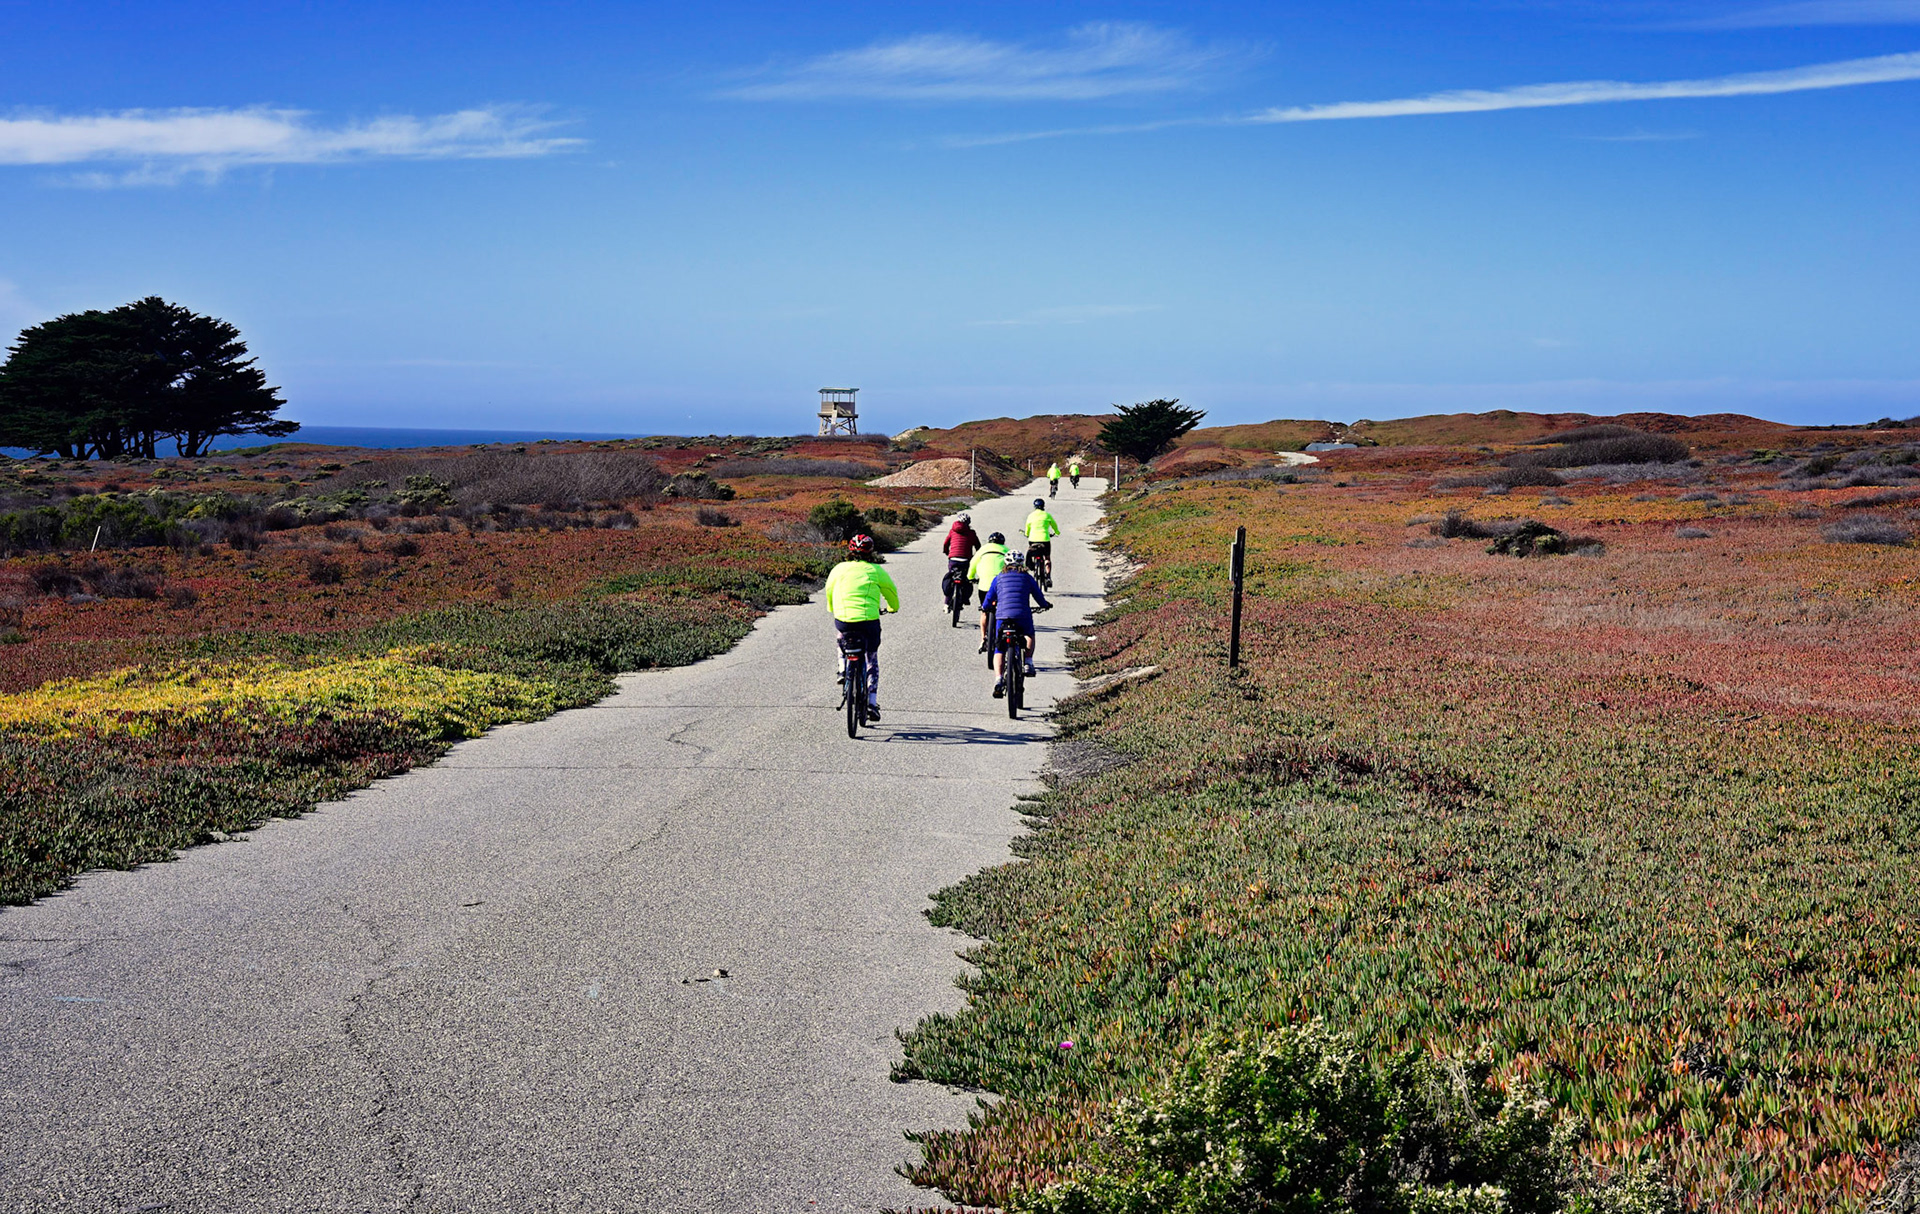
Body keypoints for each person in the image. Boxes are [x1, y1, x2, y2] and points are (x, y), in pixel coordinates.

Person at [823, 533, 899, 722]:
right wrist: (892, 608)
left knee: (841, 637)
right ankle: (872, 703)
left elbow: (829, 589)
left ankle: (842, 669)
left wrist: (832, 608)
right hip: (868, 622)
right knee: (871, 658)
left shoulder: (839, 569)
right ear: (870, 552)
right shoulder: (875, 570)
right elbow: (891, 592)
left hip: (844, 619)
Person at [981, 550, 1051, 697]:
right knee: (1029, 634)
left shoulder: (998, 578)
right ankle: (1028, 662)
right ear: (1022, 564)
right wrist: (1044, 604)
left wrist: (985, 607)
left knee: (999, 649)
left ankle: (998, 679)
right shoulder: (1027, 578)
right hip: (1022, 615)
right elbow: (1038, 596)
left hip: (1002, 617)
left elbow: (989, 598)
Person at [967, 530, 1009, 652]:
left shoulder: (983, 549)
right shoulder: (1006, 550)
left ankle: (983, 638)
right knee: (1002, 611)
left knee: (984, 610)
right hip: (1001, 585)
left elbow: (973, 563)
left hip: (984, 585)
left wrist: (970, 577)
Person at [941, 513, 982, 615]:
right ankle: (965, 598)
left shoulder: (952, 531)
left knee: (951, 577)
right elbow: (978, 546)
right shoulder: (971, 533)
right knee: (966, 579)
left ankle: (946, 603)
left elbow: (946, 544)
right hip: (965, 560)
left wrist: (947, 552)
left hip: (953, 559)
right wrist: (977, 556)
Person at [1023, 498, 1060, 585]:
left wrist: (1027, 534)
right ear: (1043, 506)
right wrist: (1057, 532)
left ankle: (1034, 565)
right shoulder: (1047, 515)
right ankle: (1048, 577)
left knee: (1032, 552)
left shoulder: (1030, 516)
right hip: (1045, 539)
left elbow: (1027, 528)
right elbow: (1054, 525)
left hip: (1033, 539)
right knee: (1047, 558)